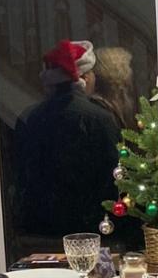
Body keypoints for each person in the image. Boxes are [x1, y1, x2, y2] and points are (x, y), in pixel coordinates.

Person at [14, 39, 122, 246]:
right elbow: (114, 175)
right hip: (91, 229)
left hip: (40, 228)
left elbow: (22, 174)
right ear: (85, 78)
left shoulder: (30, 117)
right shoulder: (100, 118)